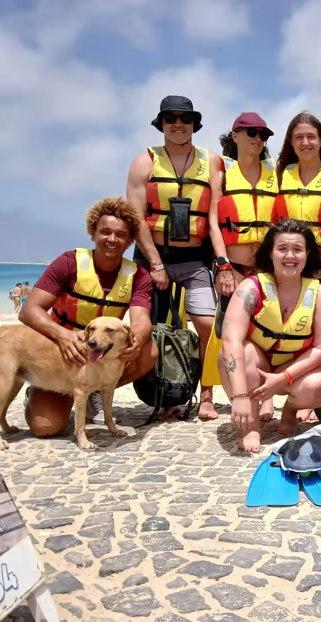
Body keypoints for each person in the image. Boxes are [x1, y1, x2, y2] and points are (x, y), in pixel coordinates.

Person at [19, 198, 158, 436]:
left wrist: (138, 341)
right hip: (64, 354)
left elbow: (142, 320)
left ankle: (94, 390)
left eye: (120, 234)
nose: (112, 239)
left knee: (149, 351)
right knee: (45, 427)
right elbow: (29, 310)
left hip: (102, 352)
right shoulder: (68, 263)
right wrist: (63, 336)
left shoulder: (138, 275)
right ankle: (43, 387)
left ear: (129, 240)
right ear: (93, 232)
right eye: (105, 232)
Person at [126, 95, 221, 420]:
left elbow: (214, 216)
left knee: (208, 327)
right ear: (161, 123)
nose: (178, 124)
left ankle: (206, 394)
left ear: (194, 124)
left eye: (185, 118)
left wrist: (221, 263)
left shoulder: (212, 162)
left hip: (195, 259)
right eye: (171, 118)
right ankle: (162, 392)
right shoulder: (144, 162)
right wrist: (154, 264)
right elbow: (136, 218)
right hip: (154, 259)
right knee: (148, 331)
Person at [219, 219, 321, 453]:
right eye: (282, 249)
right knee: (241, 352)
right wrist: (240, 395)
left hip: (295, 370)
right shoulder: (251, 288)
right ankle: (251, 425)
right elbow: (231, 338)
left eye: (297, 249)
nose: (289, 256)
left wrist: (282, 378)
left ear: (307, 254)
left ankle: (291, 408)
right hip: (259, 364)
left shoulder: (320, 293)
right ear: (270, 253)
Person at [207, 112, 278, 421]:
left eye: (262, 134)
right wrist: (223, 266)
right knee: (224, 330)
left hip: (267, 270)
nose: (257, 138)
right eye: (250, 132)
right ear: (234, 136)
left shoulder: (274, 174)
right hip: (233, 265)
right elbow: (213, 220)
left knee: (268, 331)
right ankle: (209, 392)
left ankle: (266, 397)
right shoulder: (223, 174)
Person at [272, 112, 321, 247]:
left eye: (311, 137)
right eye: (299, 137)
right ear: (292, 141)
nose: (305, 142)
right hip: (288, 258)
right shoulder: (280, 175)